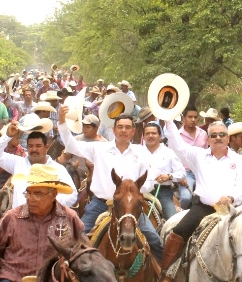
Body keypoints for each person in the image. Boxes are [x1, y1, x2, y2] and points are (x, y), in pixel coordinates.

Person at [158, 119, 242, 282]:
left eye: (221, 135)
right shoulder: (198, 155)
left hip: (231, 210)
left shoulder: (239, 160)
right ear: (207, 139)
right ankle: (168, 276)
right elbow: (178, 145)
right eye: (213, 135)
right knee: (178, 231)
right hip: (204, 208)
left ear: (228, 138)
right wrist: (168, 120)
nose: (218, 138)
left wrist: (231, 197)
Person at [56, 107, 164, 263]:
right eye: (120, 127)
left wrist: (133, 195)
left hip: (131, 208)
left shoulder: (142, 152)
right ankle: (70, 280)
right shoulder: (99, 148)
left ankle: (163, 278)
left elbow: (150, 179)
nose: (123, 130)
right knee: (78, 238)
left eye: (127, 127)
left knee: (154, 240)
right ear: (114, 130)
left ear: (133, 131)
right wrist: (62, 121)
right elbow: (71, 145)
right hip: (101, 204)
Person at [0, 122, 78, 209]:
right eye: (30, 146)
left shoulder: (58, 169)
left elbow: (72, 194)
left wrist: (47, 204)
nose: (34, 149)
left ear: (46, 147)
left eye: (38, 146)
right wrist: (7, 136)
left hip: (45, 221)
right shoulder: (18, 163)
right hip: (19, 220)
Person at [143, 121, 186, 219]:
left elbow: (182, 173)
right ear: (144, 137)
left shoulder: (169, 153)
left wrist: (169, 176)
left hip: (163, 192)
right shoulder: (138, 152)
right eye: (147, 133)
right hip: (141, 192)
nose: (150, 136)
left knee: (172, 220)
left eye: (153, 133)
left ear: (160, 136)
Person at [178, 107, 208, 204]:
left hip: (201, 171)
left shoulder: (203, 134)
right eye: (190, 117)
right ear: (184, 118)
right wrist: (180, 177)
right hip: (185, 172)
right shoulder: (178, 136)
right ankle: (180, 218)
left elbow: (206, 154)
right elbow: (173, 158)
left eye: (195, 117)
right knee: (186, 198)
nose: (193, 120)